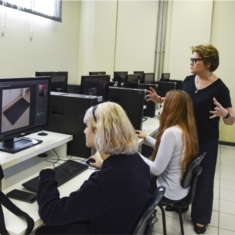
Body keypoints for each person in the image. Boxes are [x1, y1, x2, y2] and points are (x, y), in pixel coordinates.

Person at [146, 44, 235, 234]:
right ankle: (180, 204)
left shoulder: (220, 88)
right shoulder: (188, 81)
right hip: (186, 137)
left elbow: (231, 120)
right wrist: (160, 100)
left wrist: (224, 114)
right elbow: (179, 101)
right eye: (191, 59)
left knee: (203, 178)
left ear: (208, 63)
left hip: (206, 140)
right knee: (182, 171)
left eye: (196, 60)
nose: (191, 63)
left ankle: (201, 217)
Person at [36, 102, 153, 234]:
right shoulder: (136, 160)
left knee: (43, 231)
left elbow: (51, 213)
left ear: (97, 131)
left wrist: (46, 175)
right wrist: (105, 165)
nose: (84, 131)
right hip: (119, 225)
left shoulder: (108, 179)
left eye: (86, 126)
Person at [137, 90, 199, 202]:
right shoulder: (185, 127)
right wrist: (147, 137)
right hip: (179, 189)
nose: (161, 104)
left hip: (167, 191)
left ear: (172, 108)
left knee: (133, 176)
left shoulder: (171, 132)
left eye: (164, 103)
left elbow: (156, 170)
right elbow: (167, 149)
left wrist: (133, 152)